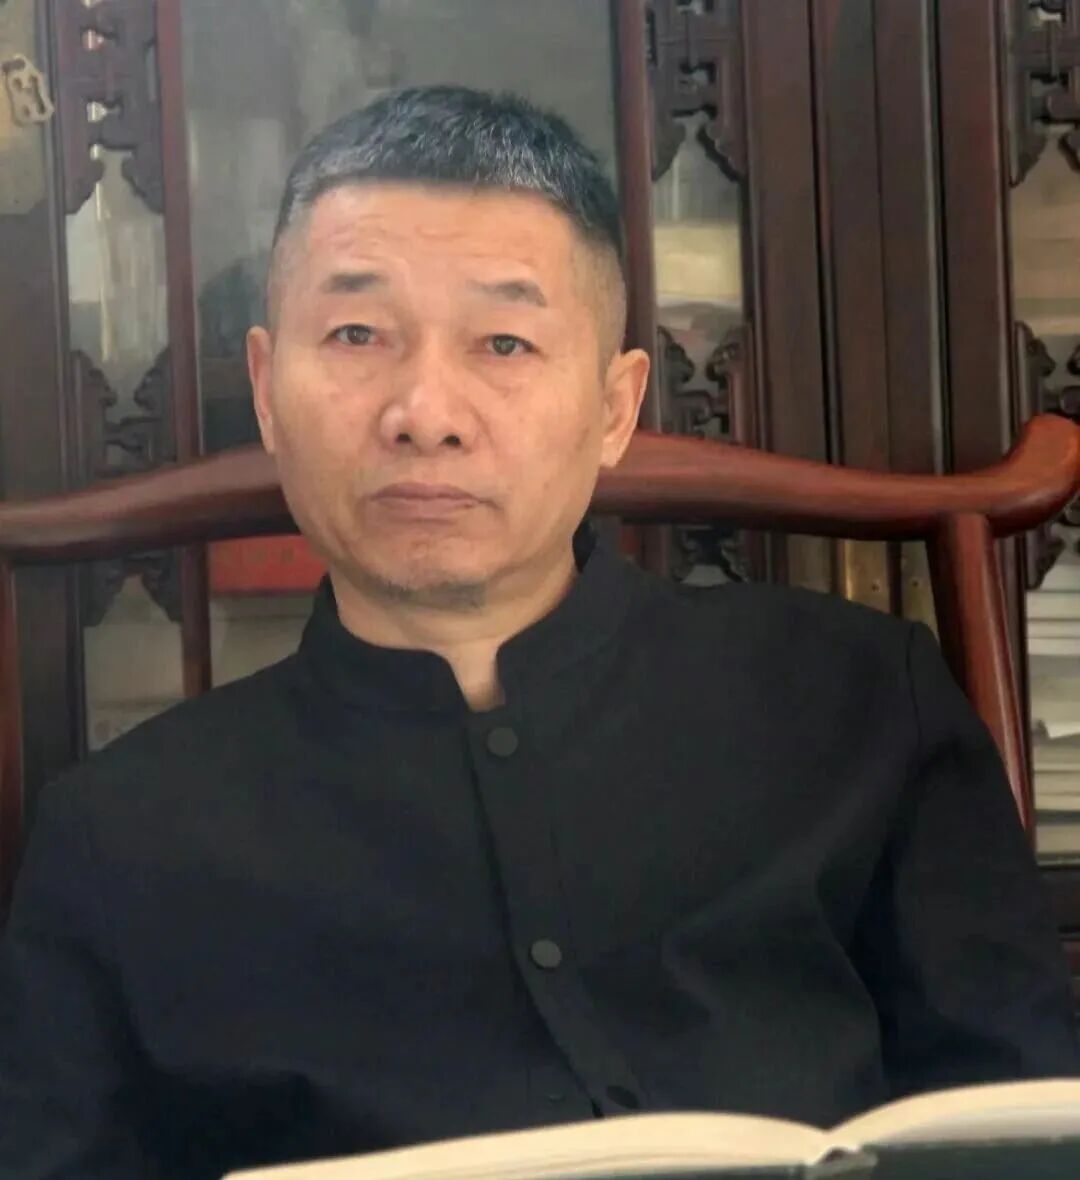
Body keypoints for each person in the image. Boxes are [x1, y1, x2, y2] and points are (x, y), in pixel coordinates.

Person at [0, 85, 1076, 1180]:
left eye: (505, 342)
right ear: (269, 391)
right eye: (358, 334)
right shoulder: (118, 838)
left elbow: (1025, 1123)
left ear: (614, 408)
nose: (425, 413)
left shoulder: (858, 707)